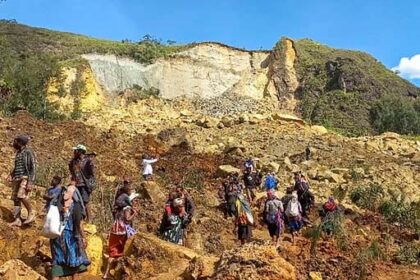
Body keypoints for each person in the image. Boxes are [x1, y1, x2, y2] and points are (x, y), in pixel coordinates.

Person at [50, 182, 90, 279]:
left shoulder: (76, 207)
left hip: (71, 240)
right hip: (58, 239)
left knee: (74, 266)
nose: (64, 193)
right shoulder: (58, 204)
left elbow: (79, 224)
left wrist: (83, 237)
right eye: (64, 192)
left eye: (68, 192)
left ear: (73, 195)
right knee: (56, 264)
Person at [103, 192, 139, 279]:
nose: (136, 201)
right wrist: (134, 213)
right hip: (122, 232)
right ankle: (119, 274)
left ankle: (106, 274)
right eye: (135, 200)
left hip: (114, 231)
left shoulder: (118, 208)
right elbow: (127, 220)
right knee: (123, 252)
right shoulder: (127, 208)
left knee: (113, 253)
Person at [7, 135, 37, 226]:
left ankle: (31, 212)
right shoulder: (18, 153)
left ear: (20, 143)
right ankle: (17, 219)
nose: (14, 143)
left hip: (25, 178)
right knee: (15, 199)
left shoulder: (28, 152)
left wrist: (31, 182)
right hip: (17, 178)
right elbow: (17, 166)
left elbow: (33, 167)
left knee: (21, 195)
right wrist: (11, 175)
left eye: (15, 141)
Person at [69, 144, 96, 223]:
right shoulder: (74, 161)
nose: (74, 152)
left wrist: (91, 184)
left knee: (85, 201)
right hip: (76, 184)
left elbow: (92, 174)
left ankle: (89, 219)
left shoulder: (88, 161)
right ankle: (80, 218)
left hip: (84, 184)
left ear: (80, 152)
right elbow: (71, 169)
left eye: (76, 150)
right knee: (76, 201)